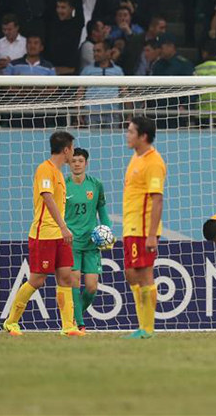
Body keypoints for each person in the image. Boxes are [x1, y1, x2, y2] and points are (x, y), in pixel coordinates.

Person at [3, 131, 82, 337]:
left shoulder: (58, 173)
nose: (73, 153)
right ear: (66, 150)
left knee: (66, 277)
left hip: (59, 235)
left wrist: (63, 229)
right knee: (37, 279)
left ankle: (68, 327)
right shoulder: (44, 170)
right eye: (72, 148)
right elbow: (47, 197)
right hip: (43, 234)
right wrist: (64, 226)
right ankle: (11, 322)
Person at [122, 116, 167, 339]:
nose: (127, 135)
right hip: (131, 227)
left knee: (144, 275)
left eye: (131, 132)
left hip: (142, 230)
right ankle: (142, 326)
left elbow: (157, 200)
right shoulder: (136, 158)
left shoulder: (153, 162)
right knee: (132, 274)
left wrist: (151, 235)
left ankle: (148, 329)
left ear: (143, 136)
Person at [65, 148, 112, 333]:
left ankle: (73, 318)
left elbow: (102, 210)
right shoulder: (63, 184)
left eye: (80, 160)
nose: (77, 163)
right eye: (74, 160)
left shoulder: (96, 184)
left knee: (92, 287)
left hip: (92, 242)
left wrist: (107, 231)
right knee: (74, 281)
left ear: (86, 163)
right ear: (69, 163)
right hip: (71, 242)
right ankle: (80, 324)